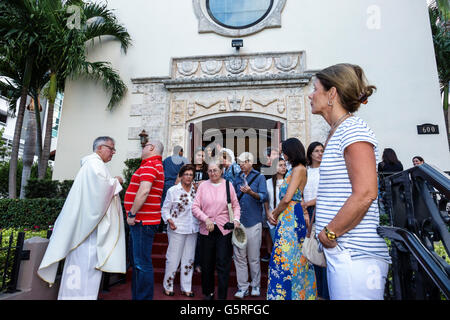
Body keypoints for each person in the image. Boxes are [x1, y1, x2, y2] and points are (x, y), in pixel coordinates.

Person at [309, 63, 391, 300]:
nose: (310, 95)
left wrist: (329, 234)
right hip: (345, 254)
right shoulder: (338, 131)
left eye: (315, 89)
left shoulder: (353, 130)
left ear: (332, 93)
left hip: (355, 256)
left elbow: (366, 193)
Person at [38, 136, 126, 300]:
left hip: (87, 228)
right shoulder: (94, 164)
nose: (113, 152)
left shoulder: (94, 164)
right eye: (111, 148)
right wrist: (117, 181)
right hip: (87, 232)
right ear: (99, 148)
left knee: (82, 269)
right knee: (82, 269)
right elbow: (100, 190)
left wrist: (112, 182)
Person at [266, 138, 317, 300]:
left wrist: (274, 213)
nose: (282, 153)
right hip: (288, 215)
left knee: (288, 257)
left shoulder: (299, 169)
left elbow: (288, 197)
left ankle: (293, 295)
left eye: (283, 150)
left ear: (291, 151)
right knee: (287, 257)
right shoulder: (294, 169)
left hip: (292, 216)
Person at [192, 161, 241, 300]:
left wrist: (236, 220)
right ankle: (208, 293)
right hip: (206, 229)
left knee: (223, 264)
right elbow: (195, 207)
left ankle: (222, 296)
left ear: (221, 171)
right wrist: (205, 218)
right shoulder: (202, 187)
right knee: (206, 264)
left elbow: (236, 206)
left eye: (215, 170)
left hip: (224, 229)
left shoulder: (228, 185)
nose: (212, 173)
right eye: (210, 171)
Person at [124, 139, 165, 300]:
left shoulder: (150, 165)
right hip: (144, 221)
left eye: (145, 146)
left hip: (142, 221)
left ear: (152, 148)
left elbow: (144, 191)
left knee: (141, 264)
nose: (142, 148)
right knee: (138, 263)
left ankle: (143, 298)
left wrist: (132, 214)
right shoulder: (154, 165)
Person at [232, 152, 267, 299]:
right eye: (239, 162)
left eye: (244, 162)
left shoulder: (260, 177)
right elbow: (232, 198)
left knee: (253, 257)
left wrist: (251, 192)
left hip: (254, 222)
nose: (241, 164)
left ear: (251, 162)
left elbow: (264, 196)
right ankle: (242, 287)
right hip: (239, 223)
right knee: (239, 257)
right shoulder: (236, 178)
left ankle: (256, 285)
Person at [161, 164, 198, 297]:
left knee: (189, 259)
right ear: (181, 175)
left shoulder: (196, 190)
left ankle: (186, 287)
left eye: (191, 175)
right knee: (173, 259)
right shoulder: (173, 190)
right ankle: (168, 285)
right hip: (176, 228)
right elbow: (165, 209)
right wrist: (169, 220)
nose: (188, 177)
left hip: (193, 228)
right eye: (186, 174)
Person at [301, 141, 329, 300]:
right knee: (312, 251)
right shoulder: (306, 171)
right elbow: (301, 193)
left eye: (322, 150)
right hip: (308, 212)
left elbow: (327, 194)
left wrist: (309, 204)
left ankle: (326, 293)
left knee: (325, 251)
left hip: (323, 210)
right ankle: (317, 293)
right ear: (310, 154)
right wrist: (305, 210)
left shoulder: (326, 170)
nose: (320, 153)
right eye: (316, 151)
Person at [263, 157, 287, 250]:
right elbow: (266, 199)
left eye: (284, 165)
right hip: (272, 218)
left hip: (286, 218)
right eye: (280, 165)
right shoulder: (267, 182)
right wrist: (268, 213)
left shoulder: (288, 182)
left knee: (285, 248)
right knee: (277, 246)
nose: (283, 167)